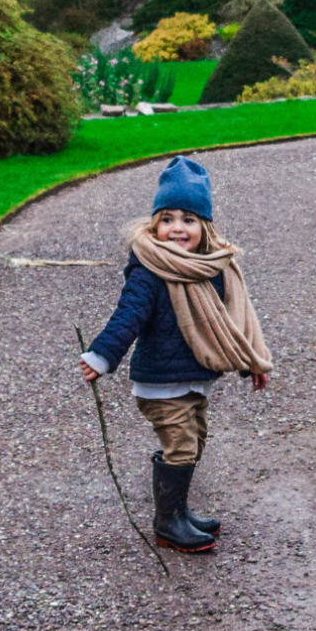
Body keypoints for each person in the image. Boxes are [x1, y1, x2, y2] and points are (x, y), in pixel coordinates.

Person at [78, 156, 274, 553]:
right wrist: (101, 356)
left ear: (204, 226)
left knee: (193, 442)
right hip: (160, 382)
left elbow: (233, 322)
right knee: (182, 444)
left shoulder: (215, 267)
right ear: (154, 224)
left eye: (187, 219)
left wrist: (252, 361)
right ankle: (168, 523)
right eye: (166, 219)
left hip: (194, 377)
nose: (176, 229)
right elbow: (128, 315)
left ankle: (178, 510)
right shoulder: (149, 270)